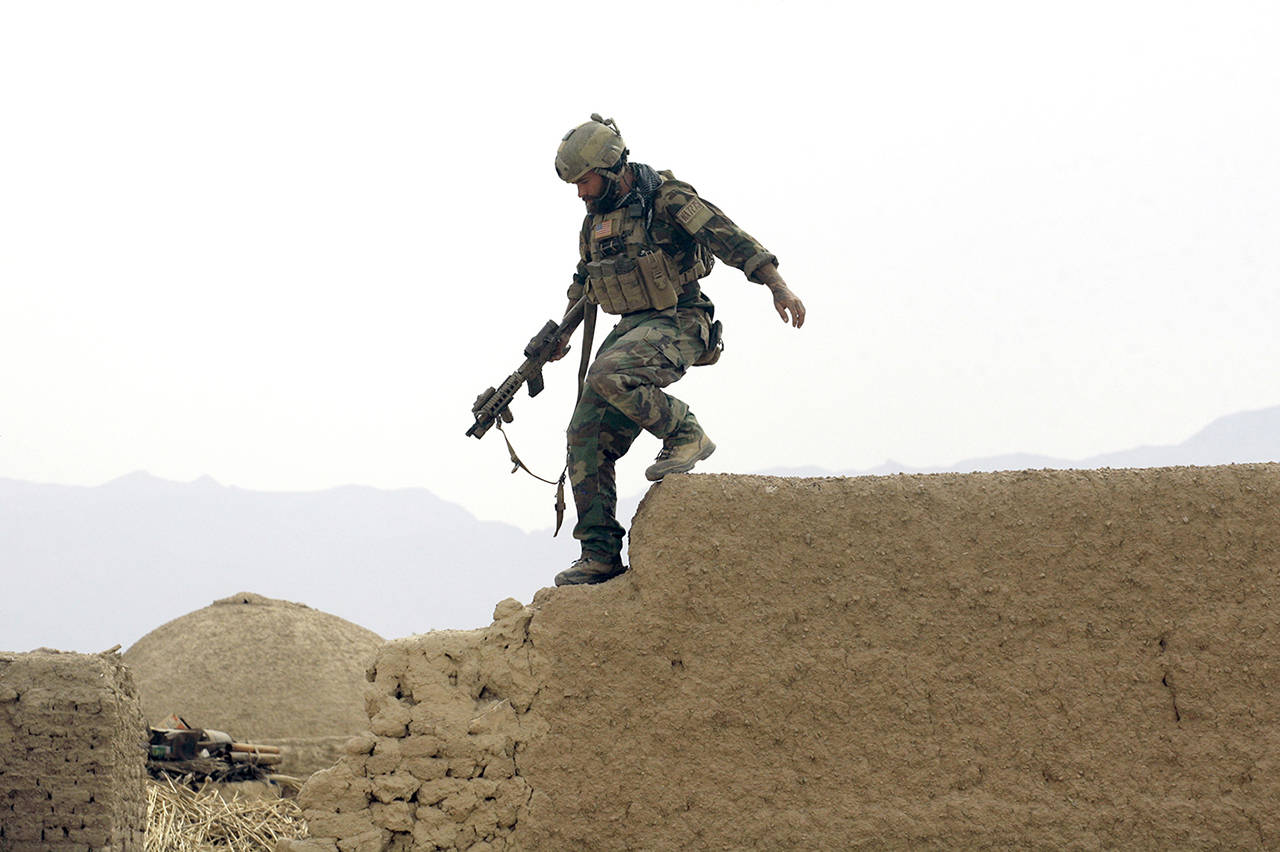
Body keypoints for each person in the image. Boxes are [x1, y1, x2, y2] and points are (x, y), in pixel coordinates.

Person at [551, 114, 805, 587]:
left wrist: (776, 285)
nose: (581, 193)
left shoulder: (666, 200)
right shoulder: (595, 223)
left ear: (608, 168)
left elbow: (728, 237)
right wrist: (560, 336)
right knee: (583, 433)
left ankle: (686, 433)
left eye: (584, 181)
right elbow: (586, 282)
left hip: (683, 319)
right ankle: (600, 554)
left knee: (609, 372)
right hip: (633, 328)